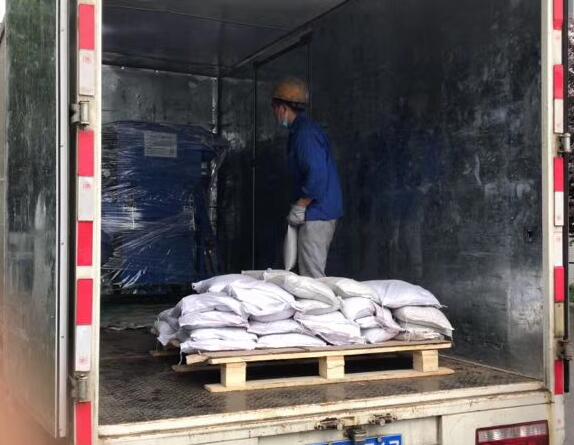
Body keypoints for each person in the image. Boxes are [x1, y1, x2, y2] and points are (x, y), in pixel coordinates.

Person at [271, 78, 343, 277]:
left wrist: (302, 205)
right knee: (306, 272)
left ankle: (319, 300)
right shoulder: (301, 130)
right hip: (316, 211)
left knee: (312, 276)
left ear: (283, 108)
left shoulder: (305, 134)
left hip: (317, 212)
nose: (274, 114)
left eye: (274, 108)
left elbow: (317, 174)